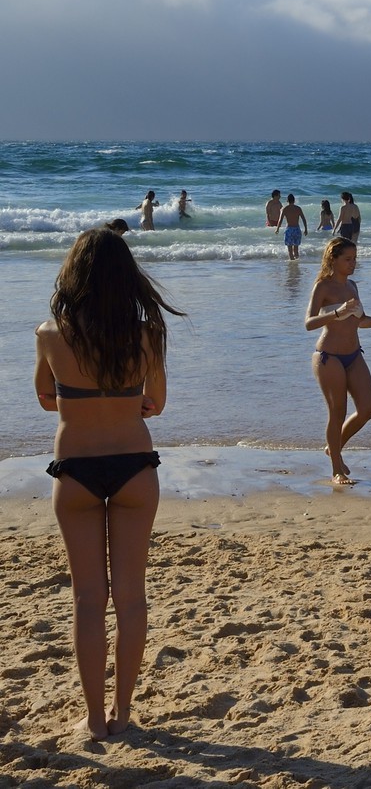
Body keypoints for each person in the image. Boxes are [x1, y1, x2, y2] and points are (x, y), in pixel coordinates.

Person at [34, 228, 183, 740]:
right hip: (134, 468)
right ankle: (124, 713)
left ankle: (94, 720)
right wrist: (127, 400)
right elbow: (155, 403)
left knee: (87, 599)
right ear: (128, 279)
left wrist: (83, 398)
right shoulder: (147, 336)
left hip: (74, 468)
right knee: (132, 596)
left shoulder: (51, 334)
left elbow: (45, 398)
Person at [305, 237, 371, 485]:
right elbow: (309, 323)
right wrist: (336, 313)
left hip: (354, 355)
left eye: (355, 258)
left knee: (368, 409)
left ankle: (333, 447)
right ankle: (337, 469)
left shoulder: (353, 286)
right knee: (338, 412)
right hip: (328, 357)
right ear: (333, 259)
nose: (353, 263)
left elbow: (360, 321)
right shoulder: (322, 287)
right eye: (348, 259)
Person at [276, 193, 310, 260]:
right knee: (296, 249)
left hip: (289, 230)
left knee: (290, 250)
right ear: (294, 200)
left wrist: (277, 229)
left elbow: (280, 220)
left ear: (287, 200)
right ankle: (296, 264)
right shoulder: (298, 208)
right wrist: (306, 229)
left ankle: (292, 264)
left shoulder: (285, 209)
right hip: (297, 229)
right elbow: (304, 219)